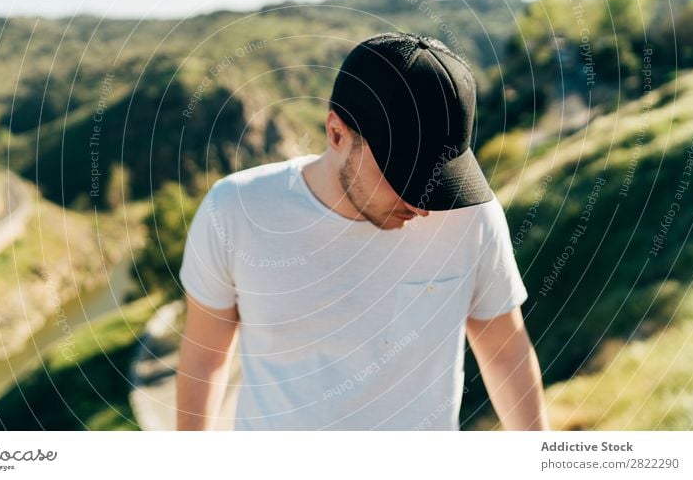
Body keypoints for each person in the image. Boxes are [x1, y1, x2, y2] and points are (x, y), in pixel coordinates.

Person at [175, 32, 549, 431]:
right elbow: (205, 359)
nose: (424, 204)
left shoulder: (471, 217)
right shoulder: (236, 210)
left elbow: (504, 352)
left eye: (440, 178)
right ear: (336, 133)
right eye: (405, 174)